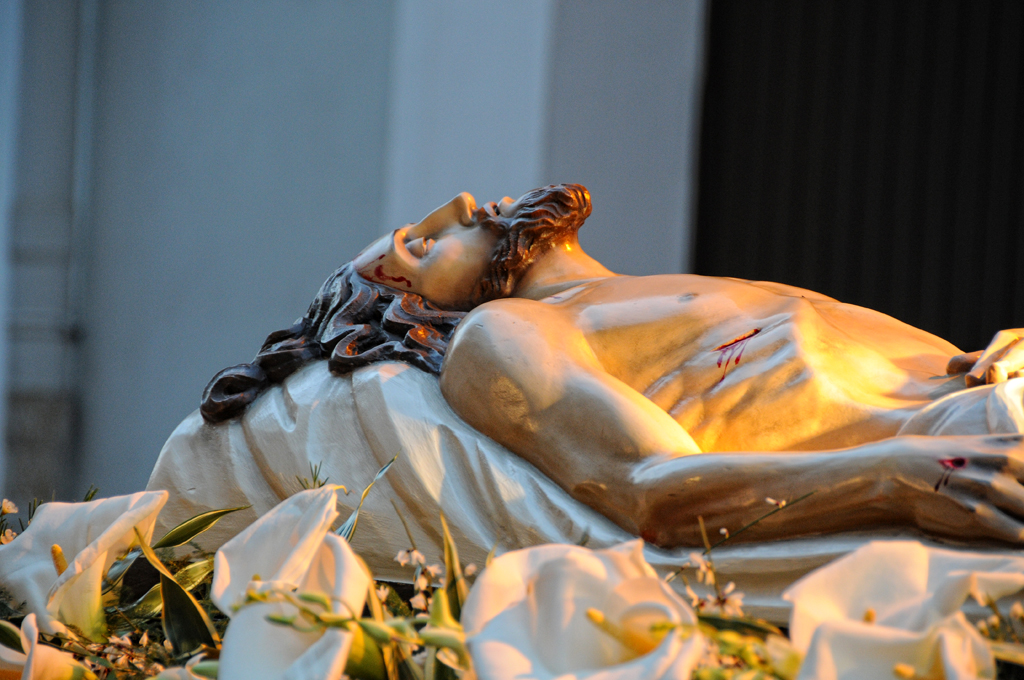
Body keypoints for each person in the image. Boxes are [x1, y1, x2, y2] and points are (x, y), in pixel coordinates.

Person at [198, 183, 1024, 549]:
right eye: (419, 244)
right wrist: (891, 478)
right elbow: (654, 491)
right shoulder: (507, 335)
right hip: (972, 457)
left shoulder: (681, 286)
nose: (460, 203)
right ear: (407, 308)